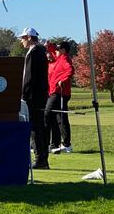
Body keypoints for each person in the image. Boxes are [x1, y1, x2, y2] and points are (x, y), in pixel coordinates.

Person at [20, 27, 50, 169]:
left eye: (23, 38)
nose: (22, 41)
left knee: (35, 128)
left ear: (30, 38)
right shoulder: (40, 50)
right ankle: (42, 159)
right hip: (39, 94)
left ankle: (40, 159)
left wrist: (23, 94)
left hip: (33, 96)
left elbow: (29, 77)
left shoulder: (34, 52)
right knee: (39, 127)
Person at [49, 41, 75, 154]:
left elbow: (70, 70)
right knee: (59, 118)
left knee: (52, 116)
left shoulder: (64, 59)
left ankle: (65, 144)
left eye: (58, 49)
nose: (56, 51)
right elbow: (52, 51)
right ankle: (64, 144)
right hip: (58, 92)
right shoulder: (59, 58)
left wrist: (62, 80)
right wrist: (48, 45)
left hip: (61, 93)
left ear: (63, 50)